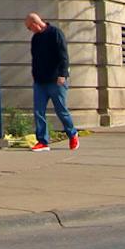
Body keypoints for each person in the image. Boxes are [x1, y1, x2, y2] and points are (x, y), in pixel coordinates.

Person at [25, 12, 78, 151]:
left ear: (36, 23)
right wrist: (35, 75)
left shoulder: (55, 33)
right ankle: (42, 141)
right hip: (40, 81)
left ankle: (72, 134)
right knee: (38, 111)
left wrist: (62, 74)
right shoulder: (35, 39)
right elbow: (35, 59)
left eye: (30, 28)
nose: (30, 31)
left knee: (61, 110)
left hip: (56, 80)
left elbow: (63, 55)